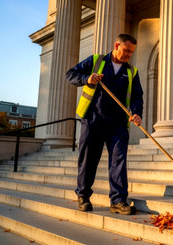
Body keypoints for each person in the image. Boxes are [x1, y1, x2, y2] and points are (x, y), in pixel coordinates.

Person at [66, 33, 143, 215]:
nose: (128, 55)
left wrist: (137, 113)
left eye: (131, 53)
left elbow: (137, 97)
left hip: (118, 124)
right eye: (126, 51)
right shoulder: (95, 61)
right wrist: (87, 79)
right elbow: (70, 74)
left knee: (119, 161)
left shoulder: (131, 72)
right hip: (93, 120)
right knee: (88, 160)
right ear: (116, 45)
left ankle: (118, 200)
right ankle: (83, 196)